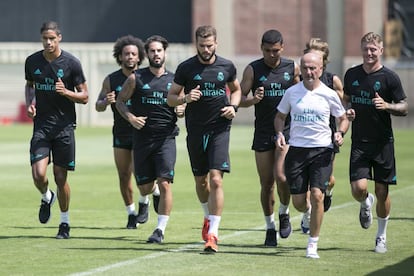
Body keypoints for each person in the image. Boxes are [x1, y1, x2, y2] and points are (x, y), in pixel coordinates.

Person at [167, 25, 241, 252]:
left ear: (216, 43)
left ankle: (213, 235)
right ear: (196, 44)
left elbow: (236, 90)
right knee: (201, 181)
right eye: (202, 46)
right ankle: (207, 217)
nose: (206, 49)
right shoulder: (186, 68)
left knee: (217, 179)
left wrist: (233, 107)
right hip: (196, 131)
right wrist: (186, 98)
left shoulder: (226, 66)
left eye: (210, 45)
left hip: (220, 129)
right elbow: (171, 98)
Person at [274, 52, 349, 258]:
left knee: (317, 195)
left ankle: (312, 244)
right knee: (299, 203)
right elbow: (280, 116)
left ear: (321, 69)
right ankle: (306, 213)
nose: (309, 72)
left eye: (313, 68)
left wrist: (340, 132)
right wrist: (280, 133)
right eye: (305, 68)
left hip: (322, 150)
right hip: (297, 151)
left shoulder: (329, 94)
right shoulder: (291, 92)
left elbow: (342, 118)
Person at [343, 32, 408, 253]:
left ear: (381, 50)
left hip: (383, 143)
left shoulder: (390, 78)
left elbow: (404, 107)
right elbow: (346, 99)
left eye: (373, 49)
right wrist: (347, 111)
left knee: (383, 191)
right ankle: (364, 202)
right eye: (366, 49)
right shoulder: (351, 74)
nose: (369, 53)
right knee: (358, 189)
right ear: (361, 49)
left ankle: (381, 236)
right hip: (359, 142)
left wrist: (388, 106)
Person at [116, 35, 183, 243]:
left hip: (166, 139)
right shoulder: (136, 78)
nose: (156, 54)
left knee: (165, 183)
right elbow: (120, 101)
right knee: (145, 186)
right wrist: (131, 117)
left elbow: (181, 103)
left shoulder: (174, 80)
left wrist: (181, 108)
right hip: (142, 140)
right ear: (147, 54)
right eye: (152, 51)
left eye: (159, 50)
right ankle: (150, 193)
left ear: (165, 53)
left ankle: (159, 230)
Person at [24, 21, 89, 239]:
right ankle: (46, 196)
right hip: (41, 126)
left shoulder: (72, 63)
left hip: (64, 128)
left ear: (59, 37)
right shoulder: (32, 61)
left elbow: (85, 97)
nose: (48, 42)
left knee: (60, 177)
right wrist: (30, 103)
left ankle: (64, 223)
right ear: (41, 39)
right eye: (45, 39)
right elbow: (29, 84)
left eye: (52, 38)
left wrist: (66, 92)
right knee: (38, 174)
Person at [239, 29, 300, 246]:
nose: (272, 55)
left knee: (282, 176)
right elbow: (238, 99)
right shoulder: (252, 70)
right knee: (266, 183)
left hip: (286, 130)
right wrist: (253, 100)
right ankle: (270, 227)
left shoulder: (292, 68)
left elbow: (301, 94)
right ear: (261, 48)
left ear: (282, 48)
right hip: (263, 131)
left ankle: (284, 212)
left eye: (275, 51)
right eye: (267, 51)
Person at [95, 35, 160, 229]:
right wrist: (106, 101)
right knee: (124, 175)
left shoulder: (145, 77)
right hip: (121, 133)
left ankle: (149, 195)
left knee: (142, 174)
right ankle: (131, 212)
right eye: (126, 54)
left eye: (133, 53)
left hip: (142, 132)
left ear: (140, 56)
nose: (130, 57)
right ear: (120, 56)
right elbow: (98, 106)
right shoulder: (111, 79)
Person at [303, 38, 345, 214]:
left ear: (324, 61)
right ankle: (308, 213)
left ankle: (328, 190)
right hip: (303, 135)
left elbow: (341, 104)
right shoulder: (301, 77)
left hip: (326, 135)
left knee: (325, 179)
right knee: (305, 180)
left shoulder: (332, 80)